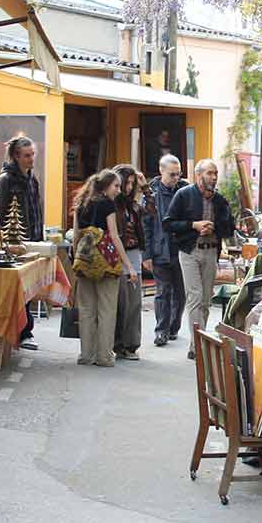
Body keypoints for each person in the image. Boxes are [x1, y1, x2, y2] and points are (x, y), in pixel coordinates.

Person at [163, 159, 234, 360]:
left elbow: (229, 229)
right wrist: (193, 225)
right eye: (209, 173)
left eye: (215, 173)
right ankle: (198, 345)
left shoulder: (220, 200)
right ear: (198, 175)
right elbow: (168, 223)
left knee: (205, 300)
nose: (213, 177)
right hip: (189, 251)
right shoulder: (183, 195)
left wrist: (215, 226)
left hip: (211, 251)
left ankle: (199, 339)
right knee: (194, 296)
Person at [72, 170, 138, 367]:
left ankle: (86, 355)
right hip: (106, 263)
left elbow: (76, 236)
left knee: (86, 310)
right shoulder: (107, 204)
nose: (118, 190)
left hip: (84, 260)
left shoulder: (81, 203)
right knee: (107, 309)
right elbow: (114, 236)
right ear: (105, 186)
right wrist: (128, 266)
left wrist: (78, 259)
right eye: (116, 186)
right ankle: (104, 356)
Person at [0, 135, 44, 350]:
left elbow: (36, 209)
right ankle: (23, 332)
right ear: (16, 156)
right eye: (27, 155)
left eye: (33, 154)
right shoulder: (6, 180)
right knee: (17, 290)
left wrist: (39, 236)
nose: (31, 159)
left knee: (28, 288)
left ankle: (24, 331)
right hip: (13, 242)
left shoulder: (32, 179)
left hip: (31, 238)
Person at [143, 155, 189, 347]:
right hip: (160, 248)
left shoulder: (186, 190)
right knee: (163, 291)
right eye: (172, 174)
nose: (175, 178)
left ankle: (173, 328)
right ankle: (161, 330)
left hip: (181, 248)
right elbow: (146, 225)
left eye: (178, 174)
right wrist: (146, 254)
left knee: (180, 292)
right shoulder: (151, 194)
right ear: (161, 171)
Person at [112, 164, 155, 361]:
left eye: (131, 183)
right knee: (120, 302)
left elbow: (153, 211)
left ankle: (130, 345)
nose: (129, 187)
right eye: (125, 183)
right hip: (117, 255)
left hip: (134, 254)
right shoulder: (112, 204)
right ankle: (117, 344)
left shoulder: (134, 206)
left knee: (134, 302)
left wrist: (145, 187)